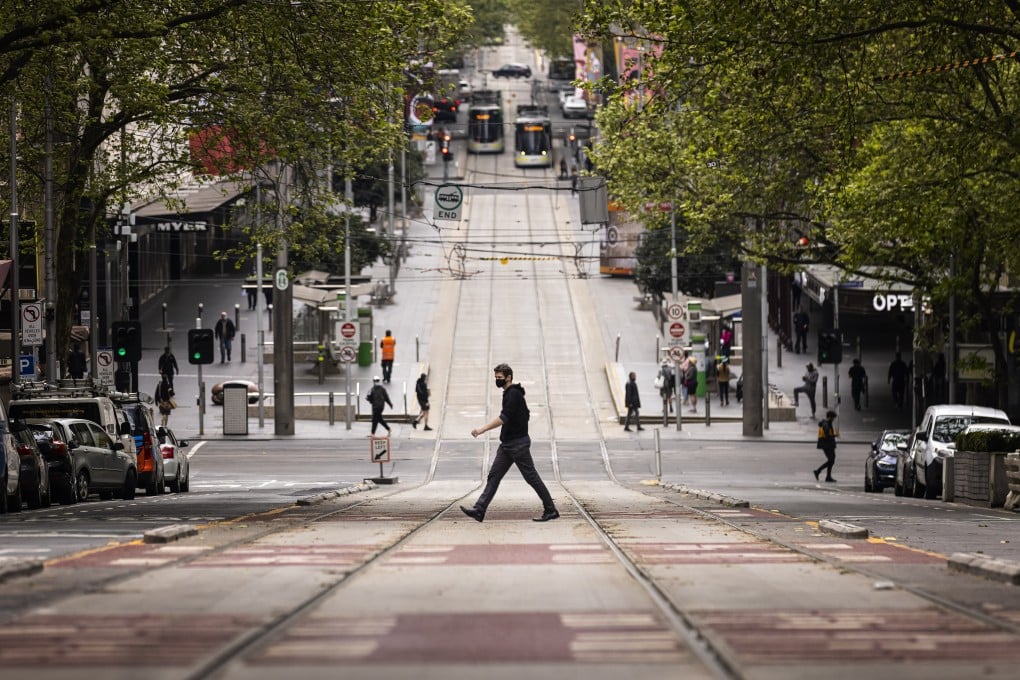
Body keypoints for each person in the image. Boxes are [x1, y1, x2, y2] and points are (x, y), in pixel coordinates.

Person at [460, 363, 559, 523]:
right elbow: (524, 415)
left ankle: (551, 509)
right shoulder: (509, 393)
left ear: (509, 377)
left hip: (517, 445)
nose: (497, 381)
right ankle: (479, 510)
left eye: (499, 378)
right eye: (496, 378)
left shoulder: (513, 394)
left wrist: (482, 429)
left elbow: (504, 417)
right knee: (494, 476)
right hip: (507, 445)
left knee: (531, 478)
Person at [813, 410, 838, 482]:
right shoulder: (826, 424)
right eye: (833, 418)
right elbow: (827, 435)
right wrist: (834, 435)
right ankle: (818, 471)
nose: (833, 419)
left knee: (831, 460)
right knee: (831, 460)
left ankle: (827, 476)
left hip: (827, 445)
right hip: (827, 445)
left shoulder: (826, 423)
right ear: (830, 417)